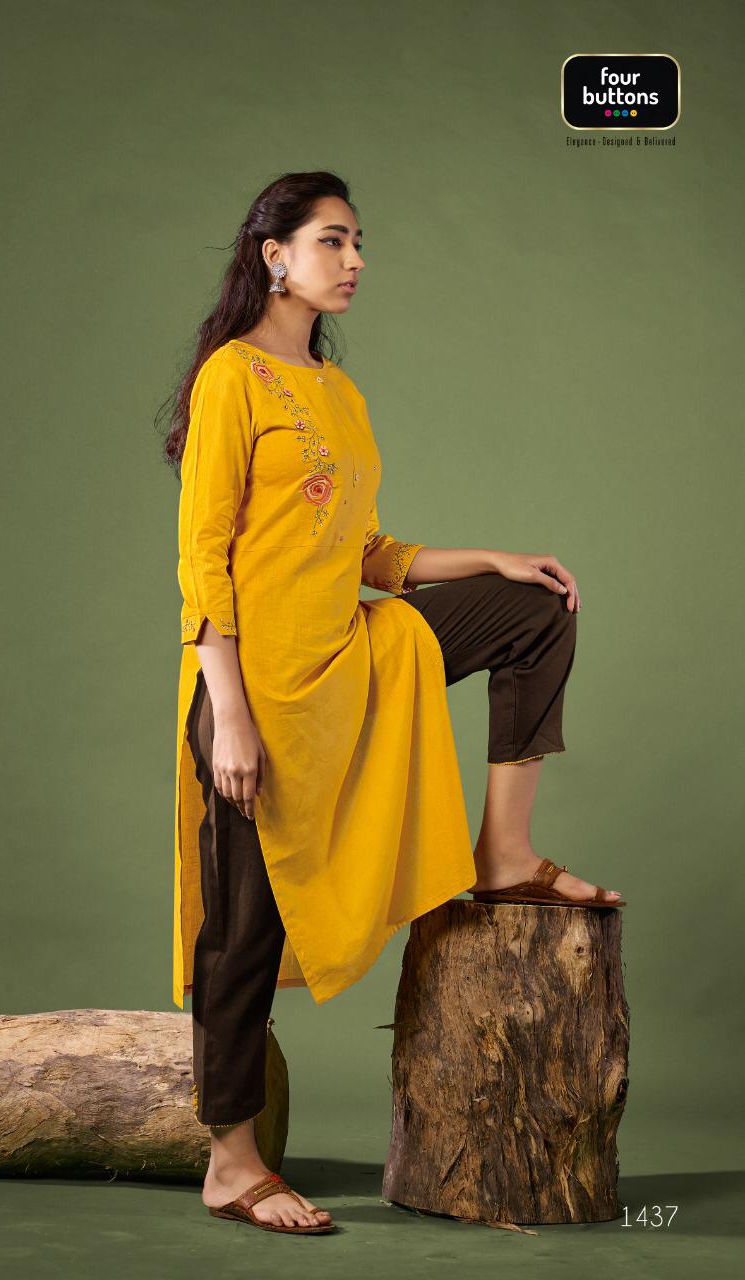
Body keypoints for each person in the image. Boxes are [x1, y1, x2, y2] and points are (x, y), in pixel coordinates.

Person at [160, 171, 623, 1235]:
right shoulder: (231, 379)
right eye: (333, 240)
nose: (355, 259)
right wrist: (229, 712)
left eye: (358, 241)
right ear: (274, 256)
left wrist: (491, 558)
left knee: (533, 610)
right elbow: (203, 560)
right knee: (242, 931)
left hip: (352, 657)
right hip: (257, 690)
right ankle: (231, 1160)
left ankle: (504, 851)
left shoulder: (336, 390)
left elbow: (363, 550)